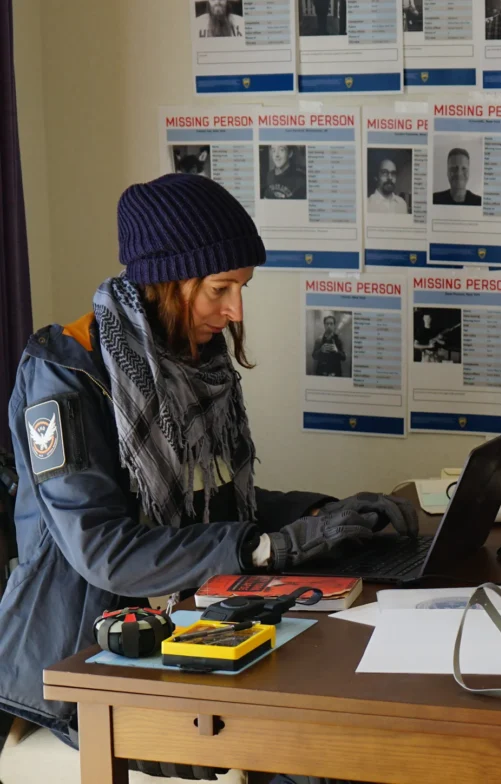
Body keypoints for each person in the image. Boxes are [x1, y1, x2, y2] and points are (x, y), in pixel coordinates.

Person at [1, 174, 417, 780]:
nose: (234, 312)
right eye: (220, 289)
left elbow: (212, 502)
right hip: (85, 664)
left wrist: (322, 511)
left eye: (241, 289)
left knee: (354, 710)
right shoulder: (64, 379)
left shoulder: (189, 360)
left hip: (187, 621)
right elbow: (107, 552)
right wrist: (265, 546)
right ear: (165, 283)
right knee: (312, 749)